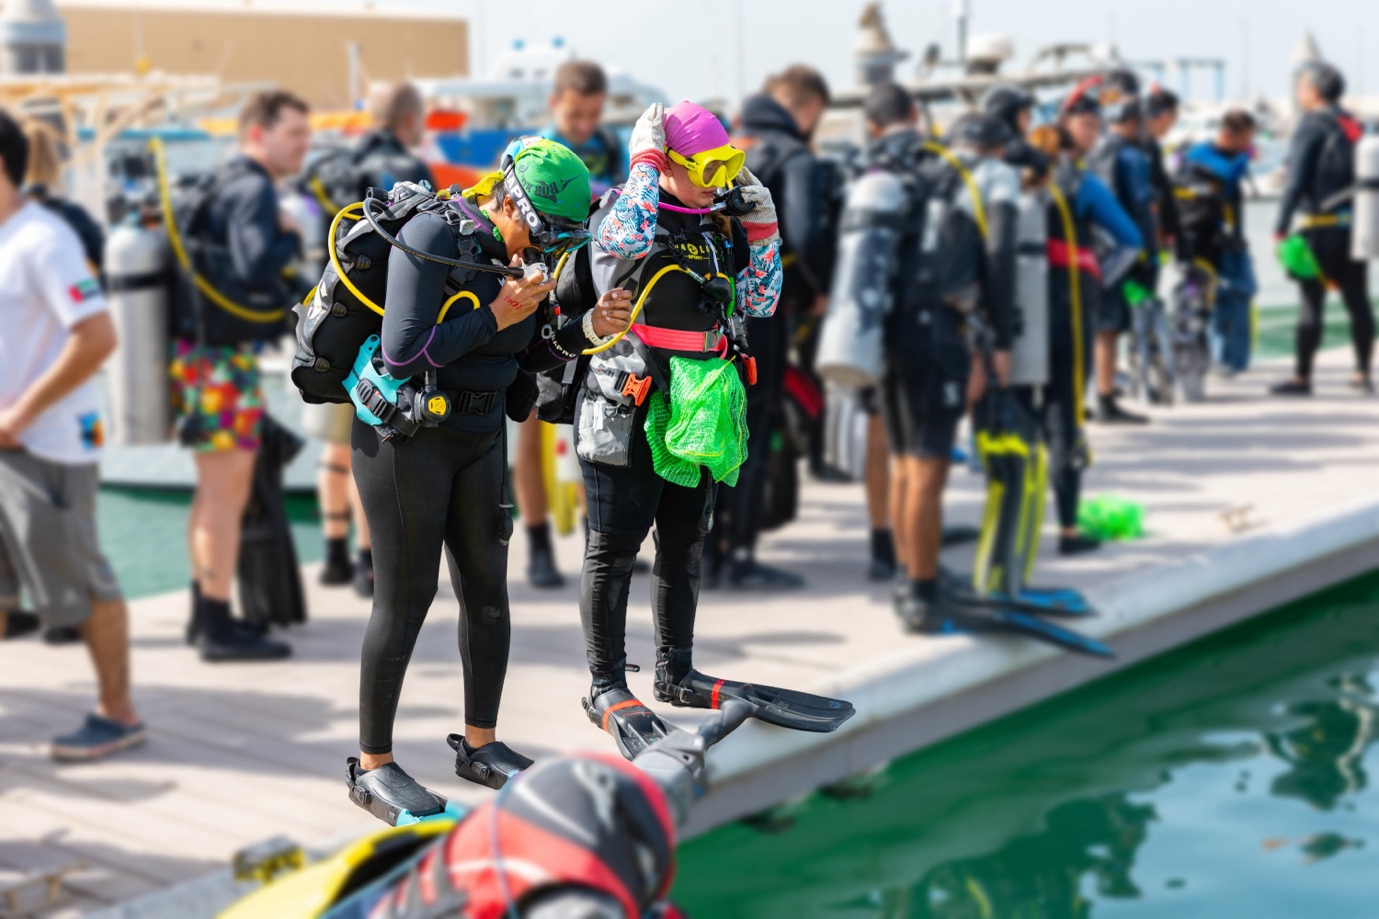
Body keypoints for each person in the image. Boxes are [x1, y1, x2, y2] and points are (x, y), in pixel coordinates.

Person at [345, 137, 629, 815]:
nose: (546, 247)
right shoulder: (432, 233)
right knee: (406, 599)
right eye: (539, 229)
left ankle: (481, 744)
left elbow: (530, 354)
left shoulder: (524, 257)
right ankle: (372, 764)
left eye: (560, 238)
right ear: (507, 199)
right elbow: (404, 350)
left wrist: (586, 323)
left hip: (477, 437)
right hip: (406, 439)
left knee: (487, 594)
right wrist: (498, 312)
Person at [565, 101, 852, 754]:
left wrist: (761, 226)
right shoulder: (625, 211)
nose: (721, 179)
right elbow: (620, 246)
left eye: (731, 165)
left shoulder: (714, 223)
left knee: (685, 540)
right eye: (708, 165)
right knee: (614, 549)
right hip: (626, 403)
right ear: (663, 164)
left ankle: (676, 669)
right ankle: (605, 682)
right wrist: (644, 162)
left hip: (696, 406)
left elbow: (760, 299)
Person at [0, 109, 145, 761]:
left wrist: (19, 414)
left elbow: (99, 335)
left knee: (81, 578)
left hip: (45, 442)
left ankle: (119, 713)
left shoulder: (43, 239)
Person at [171, 91, 310, 661]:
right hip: (222, 359)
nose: (304, 144)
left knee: (211, 494)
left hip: (196, 352)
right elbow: (256, 261)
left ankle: (206, 612)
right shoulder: (253, 188)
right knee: (226, 495)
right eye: (294, 132)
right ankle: (217, 626)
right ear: (258, 134)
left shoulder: (220, 182)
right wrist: (288, 232)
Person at [884, 108, 1019, 628]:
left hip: (891, 326)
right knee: (928, 467)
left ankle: (910, 571)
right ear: (998, 148)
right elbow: (1002, 254)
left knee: (903, 460)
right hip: (937, 331)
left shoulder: (919, 171)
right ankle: (921, 593)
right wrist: (1002, 339)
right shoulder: (992, 175)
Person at [713, 65, 835, 590]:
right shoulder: (795, 156)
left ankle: (705, 552)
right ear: (806, 109)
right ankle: (739, 555)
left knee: (711, 422)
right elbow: (805, 232)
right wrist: (822, 288)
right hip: (762, 311)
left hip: (706, 307)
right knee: (753, 430)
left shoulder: (727, 146)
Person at [311, 82, 434, 596]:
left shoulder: (332, 170)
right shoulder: (413, 172)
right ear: (409, 120)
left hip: (331, 319)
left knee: (333, 447)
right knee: (373, 436)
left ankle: (333, 554)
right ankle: (369, 562)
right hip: (383, 325)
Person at [512, 59, 630, 590]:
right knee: (536, 427)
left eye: (593, 114)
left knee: (596, 423)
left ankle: (597, 538)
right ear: (556, 103)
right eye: (575, 113)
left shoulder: (610, 148)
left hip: (599, 302)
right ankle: (536, 542)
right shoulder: (537, 156)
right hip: (547, 299)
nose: (584, 124)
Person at [1041, 93, 1144, 556]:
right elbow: (1130, 240)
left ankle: (1009, 526)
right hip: (1068, 310)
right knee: (1064, 417)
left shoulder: (1005, 181)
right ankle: (1066, 530)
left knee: (1015, 418)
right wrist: (1098, 276)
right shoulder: (1079, 182)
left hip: (1014, 315)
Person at [1271, 61, 1373, 396]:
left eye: (1301, 87)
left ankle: (1302, 378)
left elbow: (1296, 180)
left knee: (1311, 303)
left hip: (1320, 228)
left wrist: (1281, 226)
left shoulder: (1311, 125)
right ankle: (1362, 373)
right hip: (1356, 228)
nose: (1299, 93)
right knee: (1358, 301)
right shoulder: (1353, 124)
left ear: (1313, 92)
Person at [1086, 90, 1156, 424]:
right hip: (1117, 248)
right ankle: (1105, 399)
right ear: (1131, 122)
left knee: (1087, 326)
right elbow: (1141, 208)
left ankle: (1082, 398)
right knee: (1109, 328)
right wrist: (1150, 253)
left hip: (1087, 247)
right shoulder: (1132, 156)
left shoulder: (1092, 150)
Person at [1178, 110, 1258, 375]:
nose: (1249, 145)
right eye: (1245, 139)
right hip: (1198, 240)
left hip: (1229, 240)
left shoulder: (1235, 157)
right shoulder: (1199, 155)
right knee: (1198, 300)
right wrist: (1246, 156)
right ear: (1227, 135)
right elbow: (1226, 175)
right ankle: (1209, 358)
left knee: (1240, 293)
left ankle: (1233, 359)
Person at [20, 118, 105, 274]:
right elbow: (104, 264)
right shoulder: (73, 215)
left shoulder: (10, 221)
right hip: (71, 293)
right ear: (54, 161)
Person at [1144, 86, 1182, 256]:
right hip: (1149, 237)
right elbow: (1162, 192)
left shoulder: (1131, 143)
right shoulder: (1150, 148)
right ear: (1166, 117)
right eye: (1175, 120)